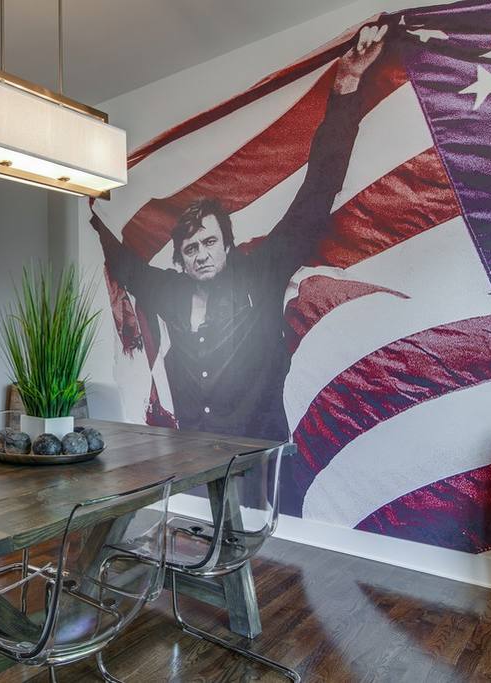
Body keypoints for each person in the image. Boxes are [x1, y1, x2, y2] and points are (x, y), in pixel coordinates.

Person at [93, 24, 388, 440]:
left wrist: (347, 83)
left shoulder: (262, 272)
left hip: (260, 454)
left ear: (228, 245)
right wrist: (92, 201)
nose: (201, 254)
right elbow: (125, 266)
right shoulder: (168, 291)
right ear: (180, 259)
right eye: (191, 248)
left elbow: (317, 192)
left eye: (209, 242)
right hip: (193, 454)